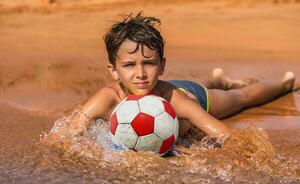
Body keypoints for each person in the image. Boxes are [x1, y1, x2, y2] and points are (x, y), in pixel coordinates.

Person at [47, 12, 296, 147]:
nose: (141, 73)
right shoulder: (107, 98)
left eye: (149, 63)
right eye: (129, 65)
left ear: (162, 65)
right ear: (114, 71)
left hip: (194, 94)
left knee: (240, 98)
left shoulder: (174, 98)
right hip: (174, 89)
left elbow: (221, 132)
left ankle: (283, 83)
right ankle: (216, 77)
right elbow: (63, 134)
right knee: (222, 86)